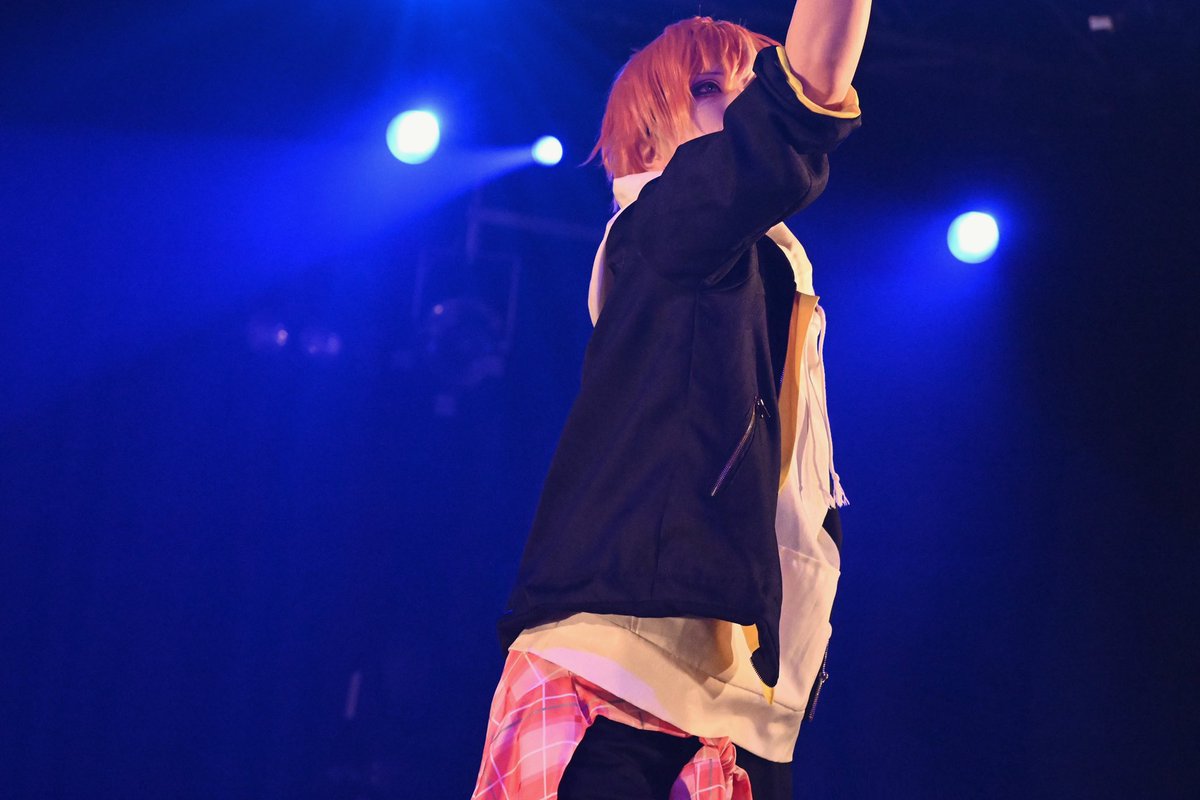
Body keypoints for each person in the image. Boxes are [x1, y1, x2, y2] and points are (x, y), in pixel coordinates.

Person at [472, 3, 869, 798]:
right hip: (621, 670)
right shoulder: (663, 229)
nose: (747, 100)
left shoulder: (771, 275)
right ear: (651, 138)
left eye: (754, 84)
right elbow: (790, 118)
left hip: (743, 701)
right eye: (717, 87)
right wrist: (796, 92)